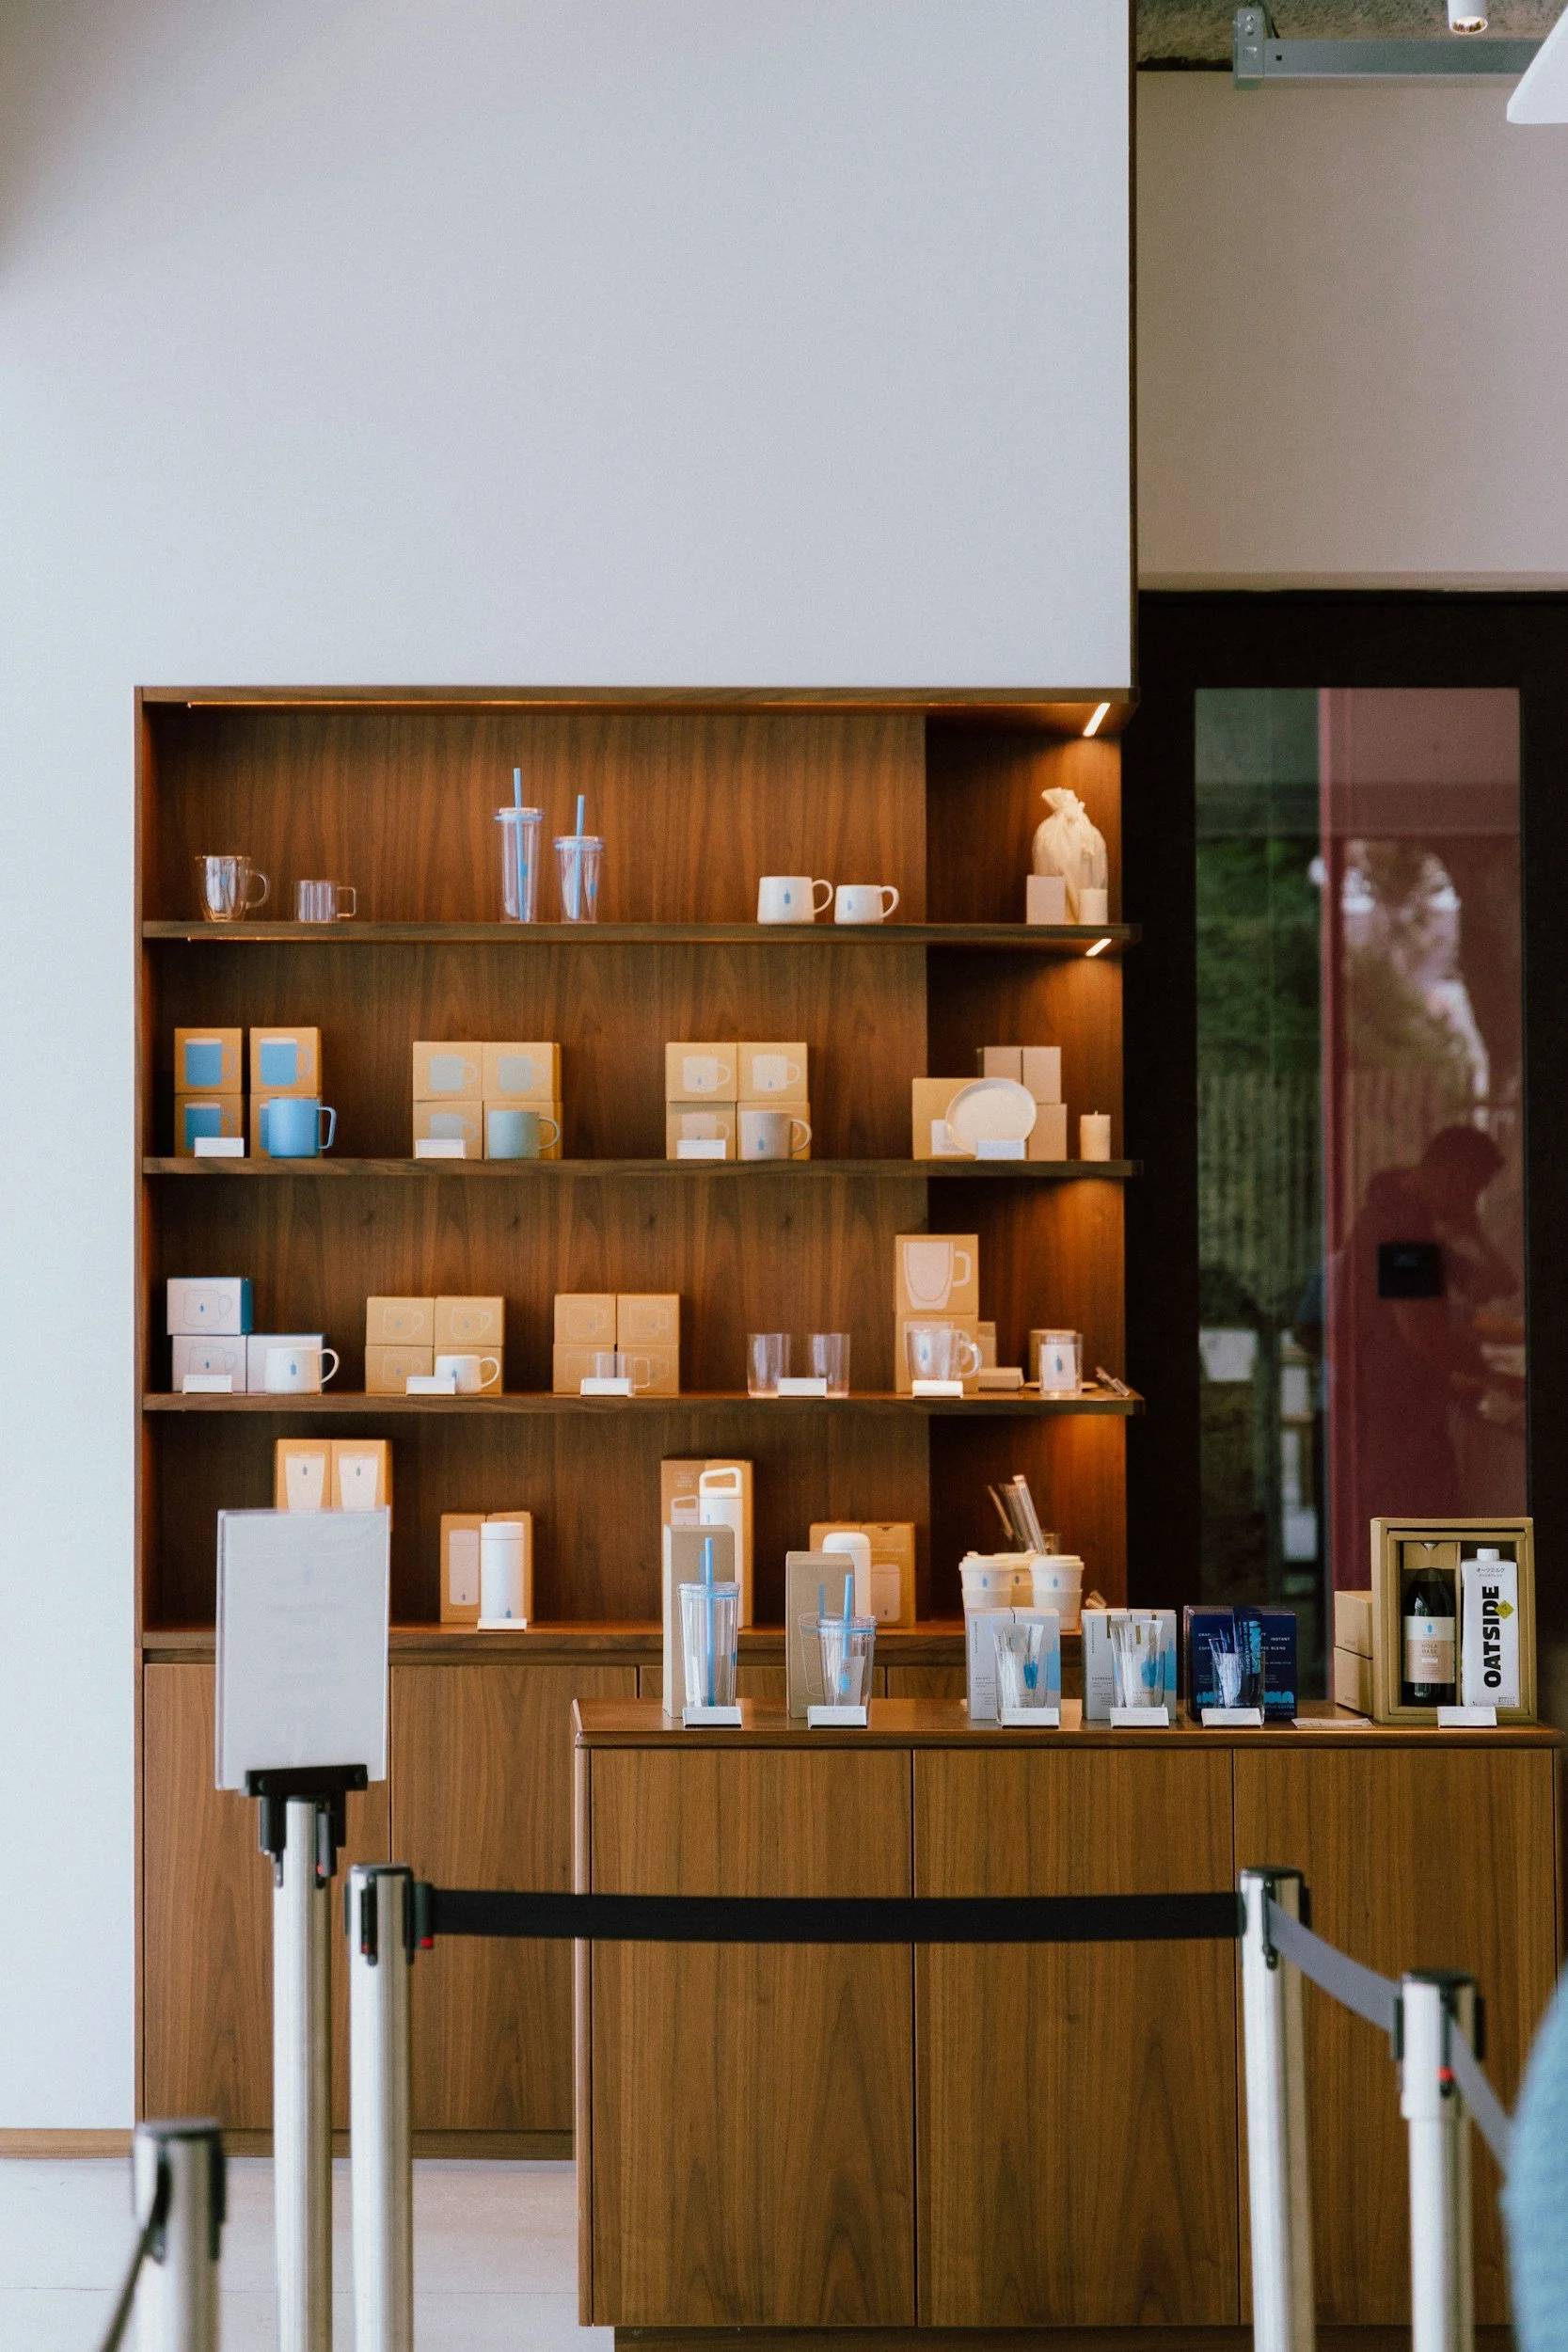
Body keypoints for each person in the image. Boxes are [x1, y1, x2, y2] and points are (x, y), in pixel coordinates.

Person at [1343, 1124, 1513, 1517]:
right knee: (1426, 1543)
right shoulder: (1401, 1229)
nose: (1473, 1201)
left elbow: (1503, 1284)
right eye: (1475, 1189)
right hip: (1400, 1428)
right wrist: (1497, 1379)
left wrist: (1478, 1233)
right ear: (1455, 1176)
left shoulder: (1415, 1225)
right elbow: (1422, 1333)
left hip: (1409, 1419)